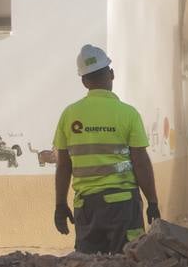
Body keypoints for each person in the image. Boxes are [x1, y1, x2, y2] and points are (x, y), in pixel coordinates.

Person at [53, 45, 160, 253]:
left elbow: (63, 165)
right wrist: (152, 201)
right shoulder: (128, 114)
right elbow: (140, 163)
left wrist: (60, 205)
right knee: (128, 264)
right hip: (122, 205)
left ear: (84, 81)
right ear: (111, 74)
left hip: (86, 207)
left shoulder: (69, 115)